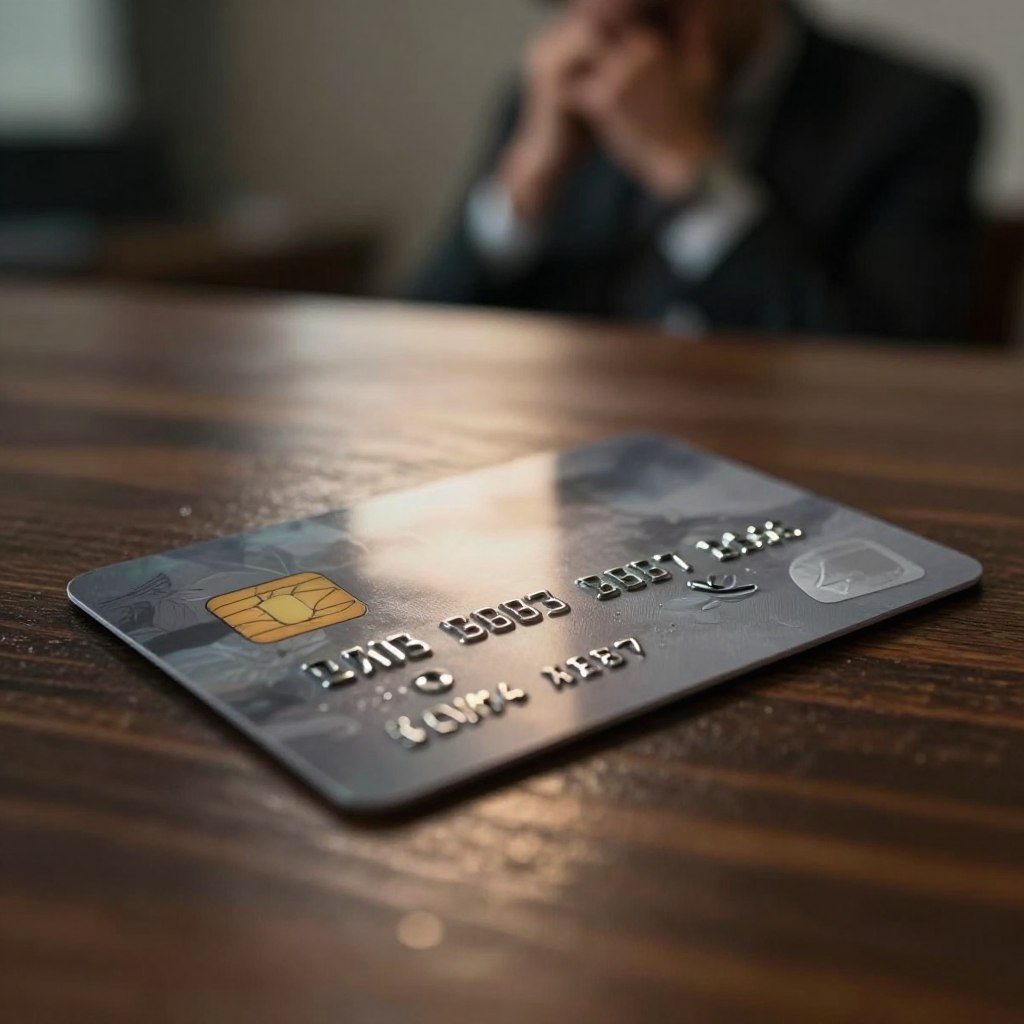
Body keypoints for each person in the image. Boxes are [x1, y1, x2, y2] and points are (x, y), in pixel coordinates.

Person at [412, 0, 984, 341]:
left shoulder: (914, 111)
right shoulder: (552, 99)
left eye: (652, 13)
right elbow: (416, 349)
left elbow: (891, 372)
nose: (606, 22)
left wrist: (695, 176)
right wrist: (525, 185)